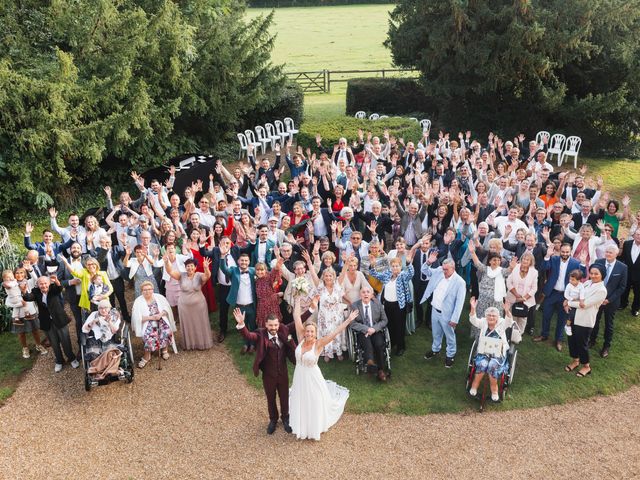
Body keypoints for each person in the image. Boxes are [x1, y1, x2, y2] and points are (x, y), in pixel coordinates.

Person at [288, 298, 357, 440]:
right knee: (300, 399)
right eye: (307, 331)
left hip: (312, 377)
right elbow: (296, 317)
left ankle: (314, 427)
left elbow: (335, 332)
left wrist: (348, 320)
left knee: (314, 400)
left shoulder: (318, 344)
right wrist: (297, 300)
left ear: (315, 333)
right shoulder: (301, 338)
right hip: (299, 375)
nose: (309, 334)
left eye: (312, 332)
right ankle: (301, 426)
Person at [233, 307, 297, 435]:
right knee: (270, 398)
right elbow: (248, 335)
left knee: (284, 397)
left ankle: (286, 418)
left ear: (279, 324)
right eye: (271, 325)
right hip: (269, 375)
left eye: (276, 325)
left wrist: (311, 309)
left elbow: (298, 322)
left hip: (283, 373)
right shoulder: (260, 334)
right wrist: (241, 324)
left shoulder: (284, 330)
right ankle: (273, 420)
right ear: (266, 324)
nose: (273, 328)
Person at [536, 243, 586, 351]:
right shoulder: (553, 259)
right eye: (563, 252)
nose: (565, 254)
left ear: (570, 252)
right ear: (560, 251)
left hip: (566, 296)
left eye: (567, 252)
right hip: (551, 292)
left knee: (562, 319)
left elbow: (583, 276)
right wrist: (547, 256)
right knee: (546, 315)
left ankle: (558, 339)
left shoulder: (575, 263)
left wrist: (582, 263)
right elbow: (544, 268)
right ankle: (544, 335)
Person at [23, 276, 79, 373]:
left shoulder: (53, 289)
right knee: (54, 343)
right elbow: (28, 297)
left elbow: (60, 288)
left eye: (45, 283)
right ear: (38, 284)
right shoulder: (36, 291)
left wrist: (57, 281)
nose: (43, 285)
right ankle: (59, 361)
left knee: (65, 341)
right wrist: (24, 291)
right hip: (46, 321)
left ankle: (71, 358)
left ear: (49, 283)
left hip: (59, 319)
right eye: (41, 283)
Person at [368, 247, 418, 356]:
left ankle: (401, 347)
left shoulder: (403, 275)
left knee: (399, 326)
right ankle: (393, 342)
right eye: (393, 266)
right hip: (387, 305)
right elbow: (375, 274)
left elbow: (411, 273)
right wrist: (372, 265)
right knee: (389, 325)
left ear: (400, 267)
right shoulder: (387, 274)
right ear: (391, 267)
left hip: (399, 306)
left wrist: (409, 262)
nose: (395, 268)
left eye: (397, 266)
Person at [420, 255, 467, 367]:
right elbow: (424, 270)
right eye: (443, 268)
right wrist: (428, 262)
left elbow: (459, 303)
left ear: (453, 268)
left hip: (448, 314)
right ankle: (435, 349)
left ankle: (450, 355)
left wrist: (454, 319)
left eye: (446, 269)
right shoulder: (439, 271)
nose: (444, 271)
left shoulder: (460, 282)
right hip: (434, 310)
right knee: (436, 333)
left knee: (449, 336)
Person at [565, 265, 608, 377]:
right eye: (591, 273)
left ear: (602, 275)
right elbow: (578, 296)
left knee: (582, 344)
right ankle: (575, 360)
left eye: (596, 274)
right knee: (572, 340)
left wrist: (568, 303)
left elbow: (585, 304)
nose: (593, 276)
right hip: (574, 317)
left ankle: (586, 366)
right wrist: (568, 299)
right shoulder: (587, 283)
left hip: (585, 321)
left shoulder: (602, 290)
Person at [467, 299, 514, 402]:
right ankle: (474, 387)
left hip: (498, 354)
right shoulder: (483, 322)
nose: (491, 317)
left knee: (492, 365)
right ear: (486, 316)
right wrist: (473, 308)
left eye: (494, 316)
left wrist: (507, 311)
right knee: (483, 364)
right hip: (484, 352)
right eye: (489, 315)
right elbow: (473, 320)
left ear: (498, 317)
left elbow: (509, 321)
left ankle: (494, 391)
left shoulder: (502, 323)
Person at [164, 257, 213, 350]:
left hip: (199, 306)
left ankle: (202, 343)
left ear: (195, 267)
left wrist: (206, 268)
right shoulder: (181, 276)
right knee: (188, 324)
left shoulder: (199, 275)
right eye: (187, 266)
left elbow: (207, 276)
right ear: (185, 267)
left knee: (200, 323)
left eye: (191, 266)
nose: (189, 268)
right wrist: (166, 262)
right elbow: (170, 271)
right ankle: (190, 344)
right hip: (184, 306)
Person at [590, 245, 628, 358]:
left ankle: (606, 346)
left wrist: (609, 300)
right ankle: (592, 340)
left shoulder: (622, 267)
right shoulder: (599, 262)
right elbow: (592, 280)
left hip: (611, 301)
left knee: (608, 324)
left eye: (610, 252)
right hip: (597, 299)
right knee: (594, 320)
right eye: (606, 252)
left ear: (616, 254)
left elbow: (622, 287)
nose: (607, 254)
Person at [131, 281, 177, 367]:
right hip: (148, 322)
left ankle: (164, 350)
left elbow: (166, 308)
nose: (147, 291)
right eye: (145, 290)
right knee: (149, 336)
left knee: (166, 330)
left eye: (149, 289)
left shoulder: (159, 297)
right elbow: (136, 318)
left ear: (153, 289)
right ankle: (147, 356)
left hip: (160, 319)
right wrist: (151, 318)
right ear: (141, 291)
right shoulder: (138, 301)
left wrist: (160, 314)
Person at [3, 268, 46, 359]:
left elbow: (36, 279)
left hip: (30, 310)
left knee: (35, 330)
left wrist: (31, 270)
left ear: (25, 274)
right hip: (18, 313)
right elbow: (8, 302)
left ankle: (38, 345)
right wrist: (19, 304)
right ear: (14, 275)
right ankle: (25, 348)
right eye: (17, 273)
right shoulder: (11, 286)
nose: (19, 274)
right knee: (21, 332)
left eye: (21, 272)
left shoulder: (28, 282)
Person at [308, 267, 347, 362]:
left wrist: (346, 262)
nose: (328, 277)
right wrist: (309, 262)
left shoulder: (337, 285)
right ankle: (327, 352)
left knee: (336, 332)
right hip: (324, 316)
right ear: (323, 277)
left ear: (333, 276)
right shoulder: (320, 286)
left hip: (336, 315)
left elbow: (343, 273)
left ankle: (338, 351)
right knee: (326, 333)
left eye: (330, 275)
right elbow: (313, 275)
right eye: (326, 276)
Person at [350, 286, 389, 381]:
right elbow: (352, 323)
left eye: (368, 292)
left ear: (372, 295)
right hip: (363, 331)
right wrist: (367, 329)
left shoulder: (377, 304)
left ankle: (380, 370)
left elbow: (384, 320)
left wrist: (374, 329)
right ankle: (370, 363)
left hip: (375, 330)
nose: (366, 294)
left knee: (379, 345)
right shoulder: (355, 306)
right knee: (367, 345)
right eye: (363, 292)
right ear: (360, 295)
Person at [505, 252, 538, 336]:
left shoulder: (534, 272)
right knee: (511, 316)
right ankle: (509, 333)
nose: (525, 261)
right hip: (512, 297)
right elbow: (508, 282)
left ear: (531, 262)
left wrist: (523, 298)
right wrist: (516, 295)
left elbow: (534, 288)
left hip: (526, 300)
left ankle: (518, 336)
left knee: (522, 318)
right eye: (524, 258)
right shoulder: (515, 267)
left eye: (527, 259)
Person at [620, 229, 640, 316]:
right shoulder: (627, 244)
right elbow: (623, 257)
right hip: (627, 272)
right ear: (634, 235)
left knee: (638, 293)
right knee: (625, 289)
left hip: (639, 275)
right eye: (638, 234)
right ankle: (623, 303)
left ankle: (635, 308)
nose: (639, 236)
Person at [563, 270, 585, 337]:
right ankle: (567, 325)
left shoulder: (581, 286)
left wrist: (581, 301)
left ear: (578, 280)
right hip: (570, 301)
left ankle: (574, 327)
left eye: (573, 280)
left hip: (578, 302)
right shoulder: (569, 286)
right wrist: (572, 299)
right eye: (570, 279)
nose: (570, 281)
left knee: (577, 314)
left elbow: (582, 294)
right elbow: (566, 295)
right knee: (571, 314)